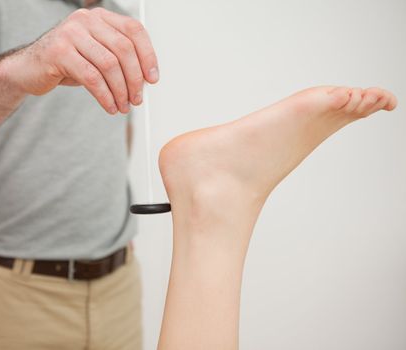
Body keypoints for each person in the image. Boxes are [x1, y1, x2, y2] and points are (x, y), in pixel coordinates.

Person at [0, 0, 159, 349]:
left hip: (120, 293)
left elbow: (116, 132)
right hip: (13, 301)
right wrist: (22, 67)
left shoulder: (120, 17)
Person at [154, 86, 397, 349]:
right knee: (208, 235)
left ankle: (212, 194)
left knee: (207, 237)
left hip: (114, 261)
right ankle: (213, 193)